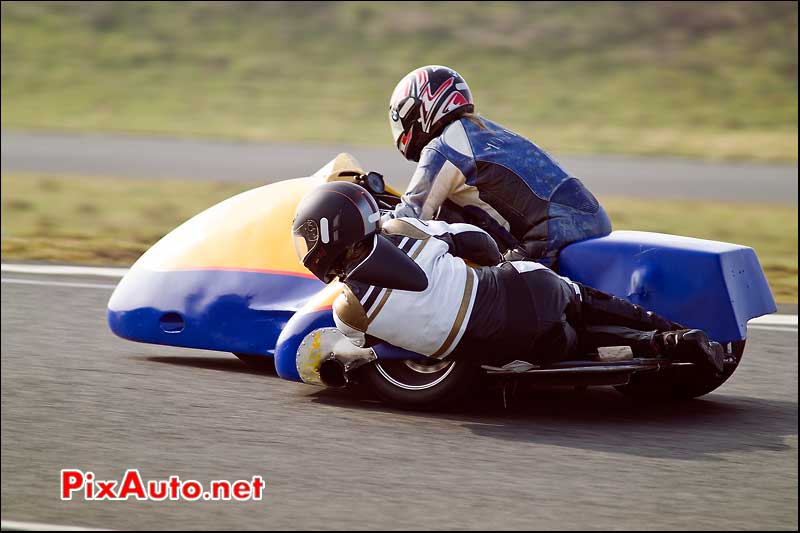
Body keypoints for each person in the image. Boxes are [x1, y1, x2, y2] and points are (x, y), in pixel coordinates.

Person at [291, 181, 725, 373]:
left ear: (329, 237)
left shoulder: (347, 309)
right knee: (579, 300)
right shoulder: (404, 229)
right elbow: (475, 240)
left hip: (505, 347)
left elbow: (371, 346)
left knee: (576, 341)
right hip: (523, 286)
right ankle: (671, 331)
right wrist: (498, 258)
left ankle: (656, 346)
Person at [385, 65, 612, 269]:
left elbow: (410, 217)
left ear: (419, 108)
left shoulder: (443, 147)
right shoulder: (484, 131)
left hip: (552, 233)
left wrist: (370, 221)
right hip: (592, 218)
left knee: (490, 298)